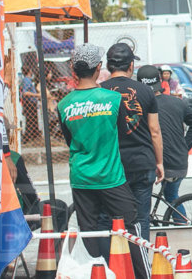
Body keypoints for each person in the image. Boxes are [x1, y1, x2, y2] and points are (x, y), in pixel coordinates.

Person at [56, 43, 145, 278]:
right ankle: (142, 275)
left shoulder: (63, 105)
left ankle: (96, 273)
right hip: (111, 176)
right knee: (130, 228)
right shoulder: (113, 99)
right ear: (98, 68)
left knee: (89, 231)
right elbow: (123, 132)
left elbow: (69, 139)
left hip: (81, 177)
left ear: (74, 70)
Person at [99, 42, 163, 272]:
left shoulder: (99, 92)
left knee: (110, 218)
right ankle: (140, 268)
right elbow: (154, 131)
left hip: (112, 166)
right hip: (142, 161)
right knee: (141, 218)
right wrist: (159, 162)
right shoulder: (146, 91)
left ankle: (112, 267)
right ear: (131, 66)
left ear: (108, 65)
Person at [136, 66, 192, 222]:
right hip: (178, 161)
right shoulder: (176, 102)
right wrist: (184, 146)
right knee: (172, 196)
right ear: (160, 81)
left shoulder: (140, 107)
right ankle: (181, 223)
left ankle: (175, 224)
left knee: (141, 195)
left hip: (155, 162)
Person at [20, 62, 42, 143]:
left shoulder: (28, 80)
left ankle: (34, 136)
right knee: (30, 121)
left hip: (32, 103)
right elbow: (25, 92)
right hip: (30, 103)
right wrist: (36, 95)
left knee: (33, 120)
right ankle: (28, 137)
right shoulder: (27, 80)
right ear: (29, 71)